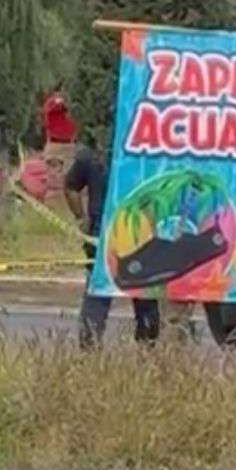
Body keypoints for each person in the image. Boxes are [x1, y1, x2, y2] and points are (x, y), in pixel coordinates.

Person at [65, 142, 160, 348]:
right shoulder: (146, 151)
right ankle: (144, 354)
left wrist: (81, 218)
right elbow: (71, 186)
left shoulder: (147, 152)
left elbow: (71, 186)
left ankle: (145, 354)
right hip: (109, 241)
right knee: (102, 301)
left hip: (137, 241)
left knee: (142, 304)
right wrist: (81, 218)